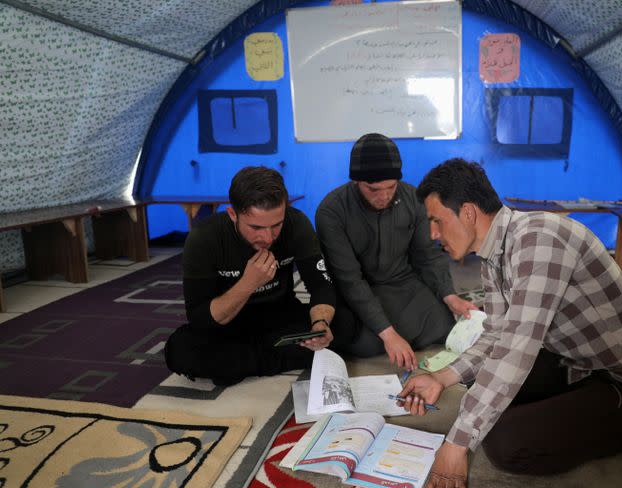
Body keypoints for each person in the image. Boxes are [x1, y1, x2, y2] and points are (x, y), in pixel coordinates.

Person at [399, 158, 622, 488]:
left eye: (437, 221)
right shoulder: (494, 255)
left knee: (505, 444)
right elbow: (497, 335)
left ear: (467, 212)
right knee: (483, 387)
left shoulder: (540, 240)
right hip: (578, 364)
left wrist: (456, 445)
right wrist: (440, 378)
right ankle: (589, 413)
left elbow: (516, 350)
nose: (433, 234)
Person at [316, 133, 477, 369]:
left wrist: (450, 297)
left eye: (391, 187)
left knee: (444, 325)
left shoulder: (413, 199)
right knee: (366, 345)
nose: (383, 196)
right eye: (373, 189)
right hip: (360, 290)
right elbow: (349, 280)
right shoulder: (332, 211)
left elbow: (427, 257)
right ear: (356, 182)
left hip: (404, 285)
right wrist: (389, 334)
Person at [164, 166, 336, 386]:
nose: (268, 237)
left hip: (280, 315)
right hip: (229, 325)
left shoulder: (297, 223)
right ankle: (276, 356)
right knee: (180, 350)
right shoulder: (204, 237)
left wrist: (320, 323)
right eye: (256, 227)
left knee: (346, 324)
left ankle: (241, 364)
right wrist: (248, 283)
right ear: (232, 214)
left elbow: (321, 286)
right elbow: (199, 317)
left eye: (276, 225)